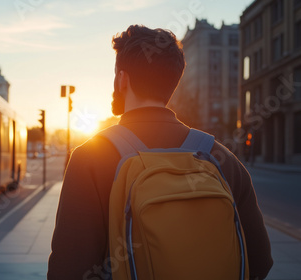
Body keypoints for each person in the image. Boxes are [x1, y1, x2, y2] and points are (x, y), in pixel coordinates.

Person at [47, 25, 273, 280]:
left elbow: (68, 271)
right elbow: (260, 262)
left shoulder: (90, 159)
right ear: (173, 83)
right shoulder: (222, 159)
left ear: (122, 79)